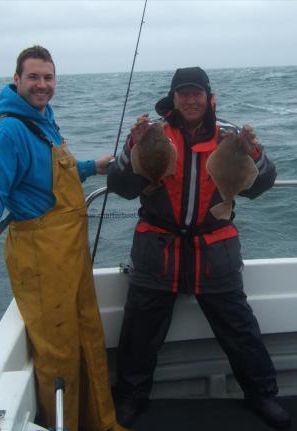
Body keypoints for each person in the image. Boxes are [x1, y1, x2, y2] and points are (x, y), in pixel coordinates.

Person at [107, 67, 291, 429]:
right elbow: (121, 186)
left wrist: (252, 150)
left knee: (240, 330)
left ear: (208, 97)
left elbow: (259, 185)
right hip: (158, 250)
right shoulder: (153, 132)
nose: (190, 100)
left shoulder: (230, 135)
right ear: (173, 99)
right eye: (183, 94)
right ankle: (131, 397)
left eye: (196, 93)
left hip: (214, 250)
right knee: (139, 333)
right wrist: (131, 147)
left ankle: (262, 395)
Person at [0, 46, 122, 431]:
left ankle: (101, 422)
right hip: (40, 259)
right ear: (16, 80)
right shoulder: (8, 130)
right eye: (34, 77)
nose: (42, 85)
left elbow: (42, 178)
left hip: (70, 254)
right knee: (59, 356)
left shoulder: (42, 121)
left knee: (88, 334)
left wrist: (91, 167)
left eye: (48, 77)